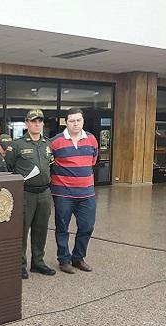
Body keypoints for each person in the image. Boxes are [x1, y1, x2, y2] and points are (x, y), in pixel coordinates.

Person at [5, 109, 56, 280]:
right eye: (33, 121)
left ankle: (38, 262)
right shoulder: (17, 145)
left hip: (44, 193)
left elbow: (51, 165)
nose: (37, 124)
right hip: (25, 194)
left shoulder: (48, 144)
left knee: (41, 229)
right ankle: (19, 264)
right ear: (27, 123)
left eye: (40, 121)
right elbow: (9, 167)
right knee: (21, 230)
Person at [50, 108, 98, 274]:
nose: (75, 124)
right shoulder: (55, 142)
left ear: (83, 121)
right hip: (63, 194)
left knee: (87, 226)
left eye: (78, 120)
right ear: (66, 122)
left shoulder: (92, 140)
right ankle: (64, 260)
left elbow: (92, 161)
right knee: (62, 227)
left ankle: (78, 258)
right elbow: (50, 165)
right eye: (72, 121)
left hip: (87, 194)